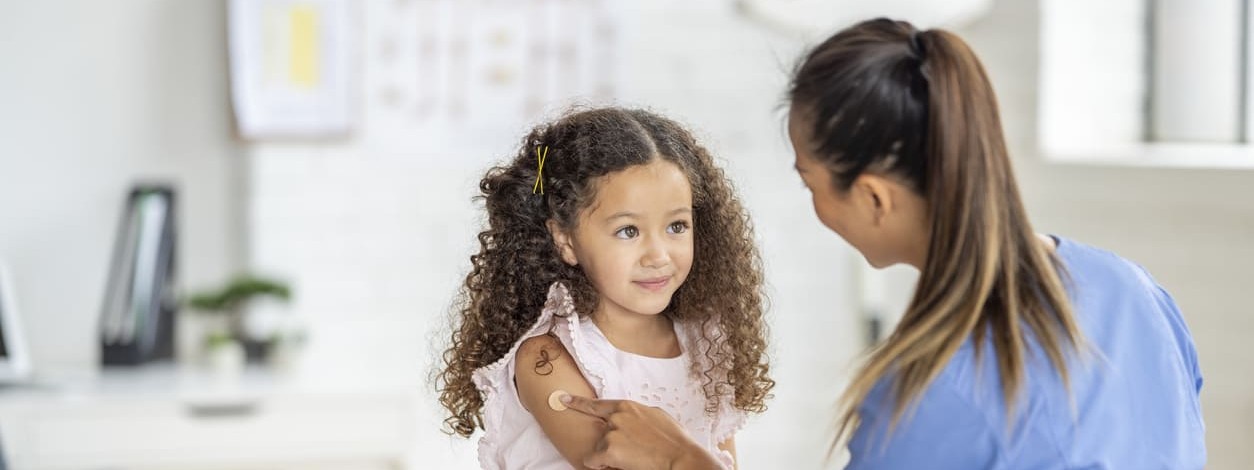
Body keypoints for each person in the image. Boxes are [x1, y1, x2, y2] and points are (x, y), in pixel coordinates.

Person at [558, 18, 1206, 470]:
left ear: (872, 197)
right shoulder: (1131, 287)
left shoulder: (932, 387)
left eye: (810, 182)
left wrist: (680, 459)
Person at [436, 107, 775, 469]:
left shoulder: (707, 343)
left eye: (677, 226)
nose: (658, 255)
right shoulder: (549, 358)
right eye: (628, 231)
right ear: (565, 239)